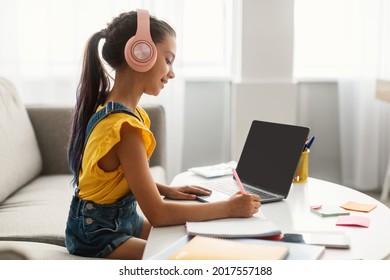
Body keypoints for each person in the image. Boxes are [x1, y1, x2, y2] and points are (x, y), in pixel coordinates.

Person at [65, 9, 261, 260]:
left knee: (198, 240)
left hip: (119, 222)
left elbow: (114, 177)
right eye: (168, 60)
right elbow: (157, 214)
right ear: (140, 53)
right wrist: (228, 208)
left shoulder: (120, 112)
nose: (171, 72)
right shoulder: (124, 127)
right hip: (99, 236)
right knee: (192, 257)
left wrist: (163, 189)